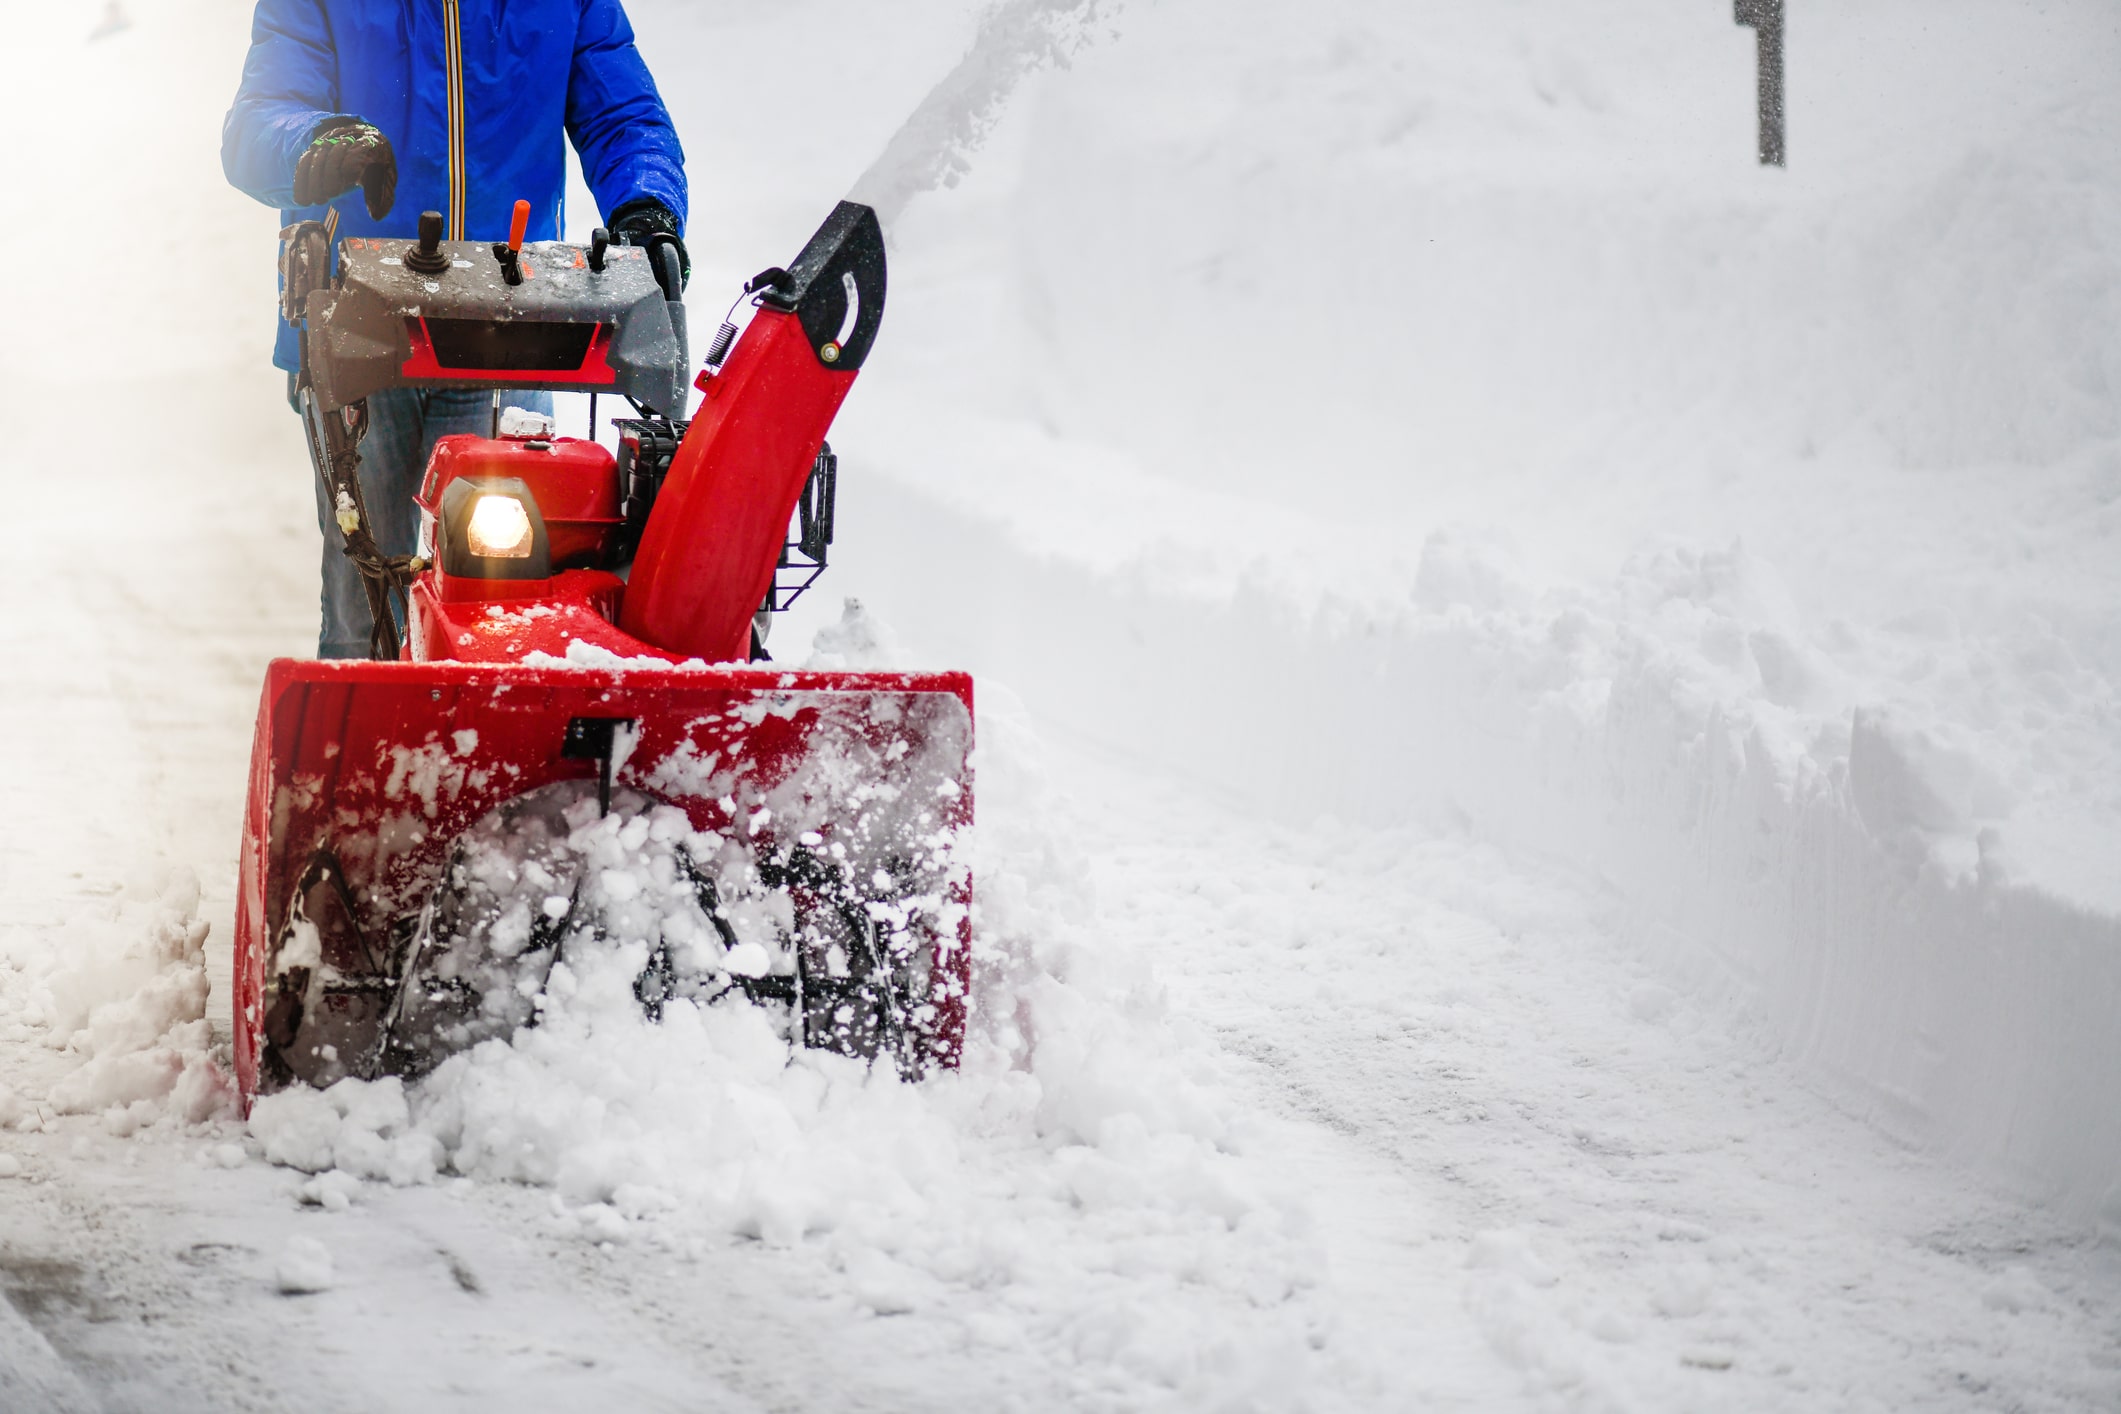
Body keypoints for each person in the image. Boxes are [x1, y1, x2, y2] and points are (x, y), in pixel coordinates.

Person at [221, 0, 689, 658]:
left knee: (505, 602)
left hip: (515, 334)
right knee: (366, 610)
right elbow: (259, 121)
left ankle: (484, 752)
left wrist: (646, 205)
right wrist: (317, 142)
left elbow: (623, 118)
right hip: (358, 333)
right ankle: (364, 755)